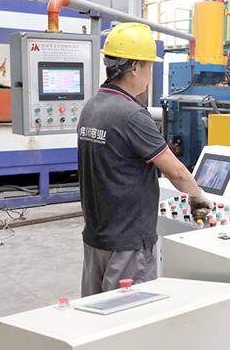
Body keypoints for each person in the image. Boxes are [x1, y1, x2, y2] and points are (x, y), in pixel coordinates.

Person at [78, 22, 213, 296]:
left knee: (95, 312)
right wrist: (198, 196)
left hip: (96, 239)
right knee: (128, 315)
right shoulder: (132, 115)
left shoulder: (91, 107)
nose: (150, 73)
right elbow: (176, 172)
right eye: (149, 65)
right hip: (127, 244)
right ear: (134, 67)